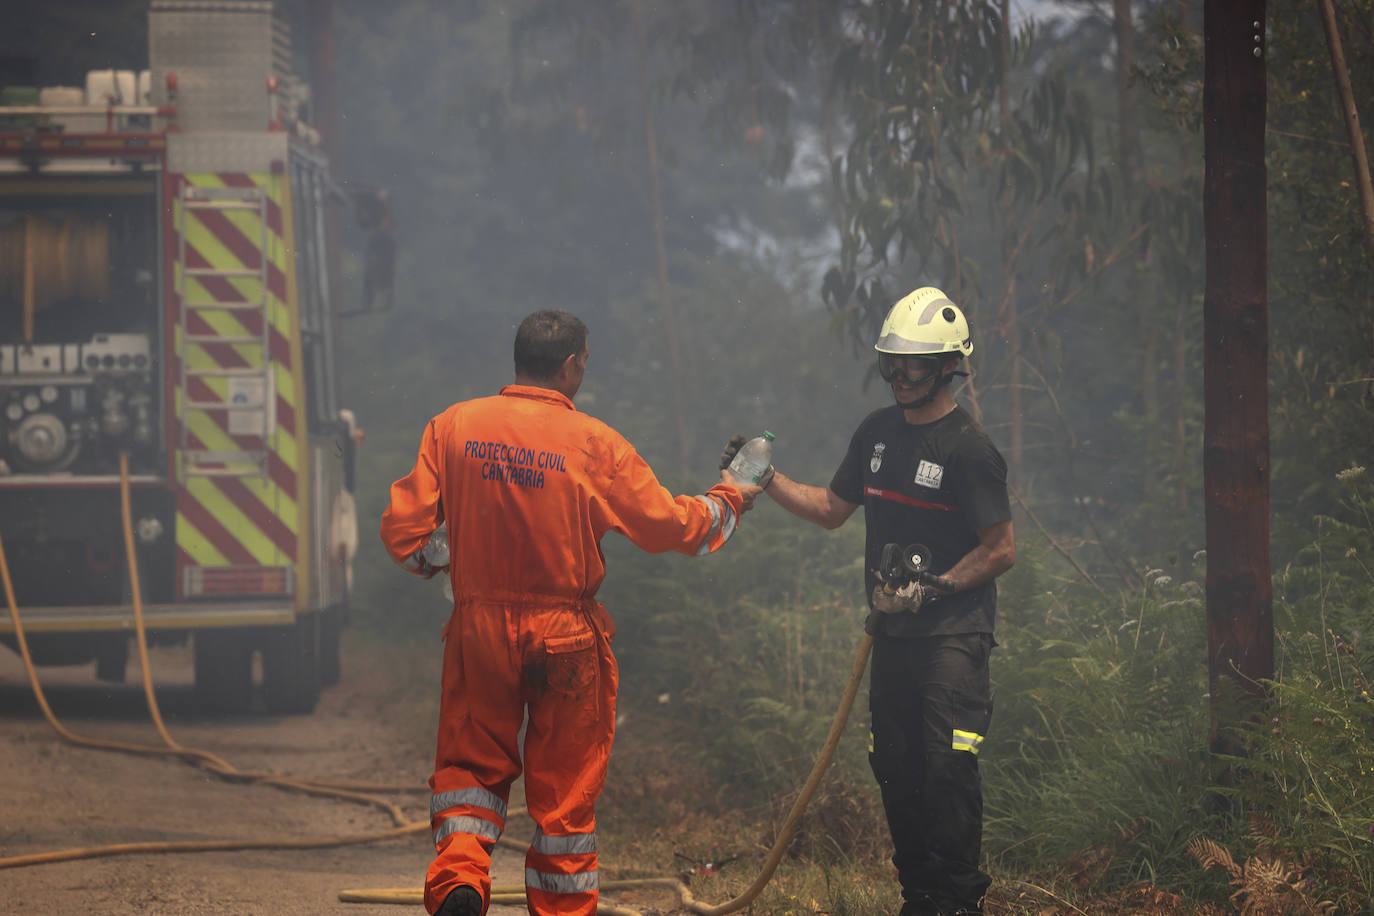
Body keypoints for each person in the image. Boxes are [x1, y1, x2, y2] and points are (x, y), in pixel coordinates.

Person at [380, 309, 761, 916]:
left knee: (470, 770)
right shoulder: (595, 443)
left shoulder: (454, 425)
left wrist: (444, 562)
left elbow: (404, 531)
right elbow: (671, 527)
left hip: (480, 630)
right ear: (570, 365)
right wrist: (732, 497)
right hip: (565, 638)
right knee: (563, 799)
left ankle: (458, 881)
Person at [728, 286, 1014, 916]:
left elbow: (999, 549)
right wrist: (765, 479)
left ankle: (959, 902)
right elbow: (832, 511)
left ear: (947, 365)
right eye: (892, 362)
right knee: (896, 764)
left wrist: (940, 586)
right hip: (892, 637)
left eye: (914, 363)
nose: (900, 375)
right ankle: (920, 896)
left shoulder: (970, 447)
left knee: (947, 765)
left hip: (953, 639)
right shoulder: (876, 433)